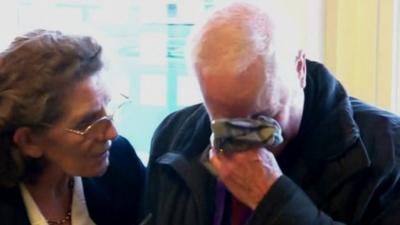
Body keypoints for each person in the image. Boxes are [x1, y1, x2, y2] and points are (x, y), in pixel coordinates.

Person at [146, 2, 400, 225]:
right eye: (226, 123)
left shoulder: (389, 150)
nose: (246, 139)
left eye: (264, 119)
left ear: (299, 69)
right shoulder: (174, 138)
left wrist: (276, 201)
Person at [0, 29, 145, 225]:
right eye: (87, 122)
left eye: (108, 106)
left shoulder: (121, 162)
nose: (112, 133)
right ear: (29, 141)